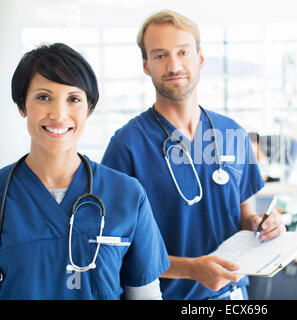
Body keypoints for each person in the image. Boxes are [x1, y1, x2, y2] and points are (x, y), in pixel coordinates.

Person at [101, 10, 285, 300]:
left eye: (183, 52)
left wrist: (262, 224)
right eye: (160, 55)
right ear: (146, 66)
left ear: (199, 58)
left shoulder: (233, 133)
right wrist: (191, 269)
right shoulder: (127, 146)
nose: (174, 65)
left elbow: (244, 216)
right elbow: (115, 247)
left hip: (233, 295)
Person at [0, 43, 170, 299]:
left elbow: (144, 295)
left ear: (88, 108)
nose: (59, 114)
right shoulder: (3, 193)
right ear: (22, 106)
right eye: (43, 97)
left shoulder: (126, 194)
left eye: (73, 99)